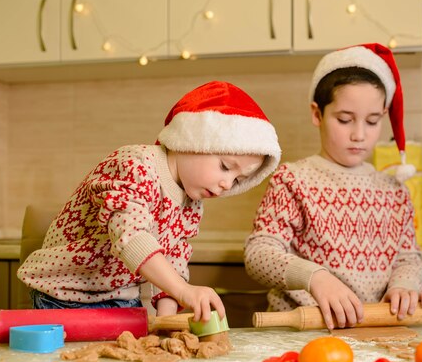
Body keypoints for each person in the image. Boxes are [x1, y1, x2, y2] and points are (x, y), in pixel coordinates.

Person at [18, 81, 281, 322]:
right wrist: (184, 291)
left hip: (121, 299)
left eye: (237, 180)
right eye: (225, 166)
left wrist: (166, 318)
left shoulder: (191, 202)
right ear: (190, 140)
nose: (227, 184)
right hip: (64, 295)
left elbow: (174, 259)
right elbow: (130, 236)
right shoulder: (134, 164)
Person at [244, 43, 422, 330]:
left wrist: (405, 284)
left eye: (372, 121)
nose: (359, 135)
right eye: (345, 120)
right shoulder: (292, 180)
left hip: (372, 333)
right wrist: (314, 276)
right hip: (301, 333)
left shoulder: (395, 191)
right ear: (317, 114)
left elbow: (408, 257)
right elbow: (258, 254)